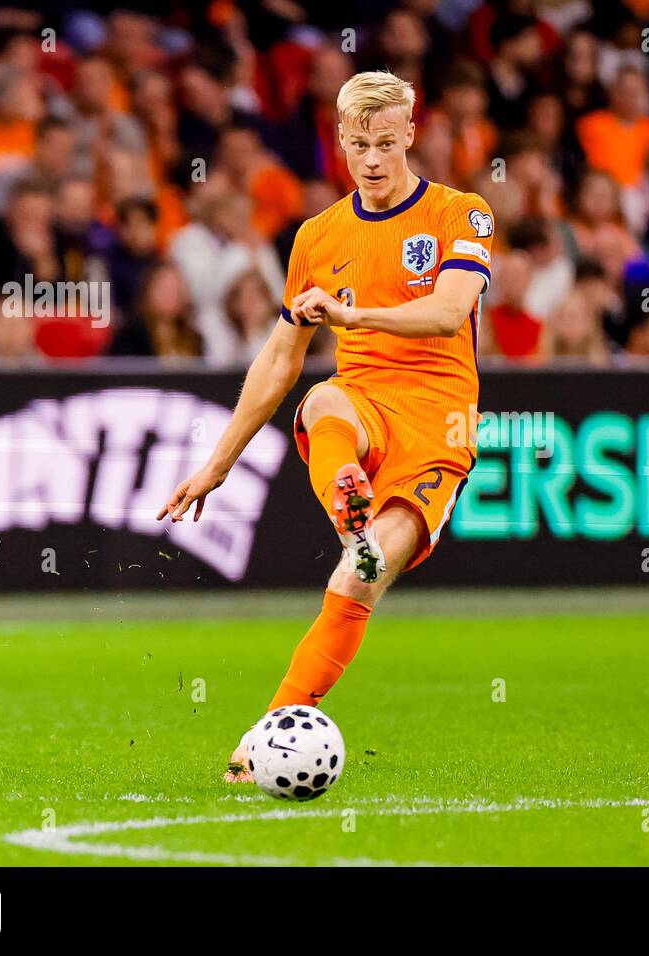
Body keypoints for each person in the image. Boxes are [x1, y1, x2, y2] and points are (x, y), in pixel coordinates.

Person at [157, 71, 493, 781]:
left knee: (358, 583)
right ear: (340, 140)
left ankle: (257, 740)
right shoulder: (317, 236)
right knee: (319, 399)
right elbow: (280, 360)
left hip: (440, 419)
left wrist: (354, 315)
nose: (372, 160)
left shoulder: (461, 214)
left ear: (411, 135)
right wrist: (218, 462)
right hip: (364, 399)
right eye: (358, 144)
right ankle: (348, 503)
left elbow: (447, 309)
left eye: (386, 143)